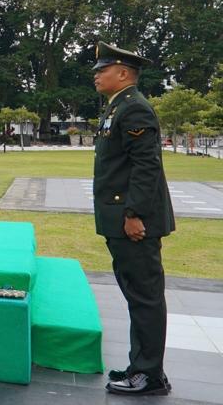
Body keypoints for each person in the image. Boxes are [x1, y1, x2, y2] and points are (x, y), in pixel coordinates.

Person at [92, 42, 175, 396]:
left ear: (123, 73)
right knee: (137, 295)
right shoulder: (119, 107)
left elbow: (146, 167)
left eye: (103, 69)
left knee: (144, 297)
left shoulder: (134, 109)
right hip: (122, 218)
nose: (96, 75)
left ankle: (149, 375)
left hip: (133, 222)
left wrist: (134, 213)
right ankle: (141, 365)